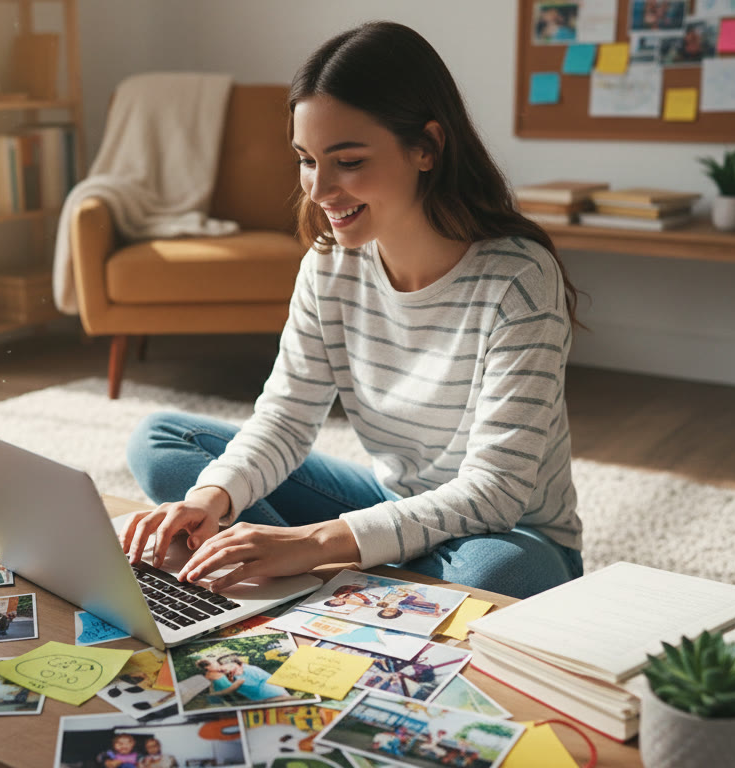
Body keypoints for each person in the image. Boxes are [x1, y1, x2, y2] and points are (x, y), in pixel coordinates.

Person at [120, 21, 583, 600]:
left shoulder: (517, 277)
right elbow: (287, 419)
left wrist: (315, 545)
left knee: (497, 577)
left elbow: (495, 491)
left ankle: (320, 572)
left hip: (507, 533)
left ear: (426, 147)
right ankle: (355, 580)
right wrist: (208, 502)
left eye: (348, 161)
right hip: (391, 505)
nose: (319, 190)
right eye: (307, 160)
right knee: (162, 442)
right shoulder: (329, 265)